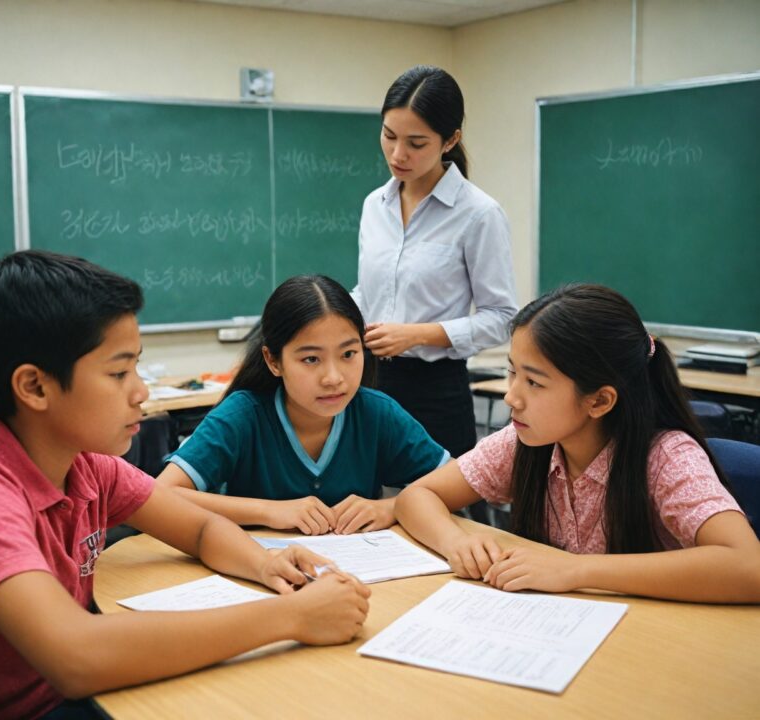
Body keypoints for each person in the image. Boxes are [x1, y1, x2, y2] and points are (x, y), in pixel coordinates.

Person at [0, 251, 371, 720]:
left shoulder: (85, 465)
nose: (142, 391)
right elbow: (77, 656)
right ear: (35, 386)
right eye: (120, 371)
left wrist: (267, 564)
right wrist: (290, 617)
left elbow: (197, 531)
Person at [395, 284, 760, 604]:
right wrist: (455, 543)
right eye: (512, 372)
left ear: (599, 401)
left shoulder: (667, 457)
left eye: (534, 383)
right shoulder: (525, 441)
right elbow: (417, 496)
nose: (511, 397)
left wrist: (576, 570)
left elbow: (748, 567)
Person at [157, 274, 450, 536]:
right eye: (311, 359)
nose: (334, 378)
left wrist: (392, 507)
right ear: (273, 361)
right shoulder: (243, 415)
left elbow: (456, 482)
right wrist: (269, 511)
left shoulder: (376, 413)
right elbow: (161, 495)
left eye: (348, 354)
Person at [352, 64, 517, 463]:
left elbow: (502, 317)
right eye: (389, 136)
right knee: (367, 506)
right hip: (367, 381)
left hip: (435, 392)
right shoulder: (375, 204)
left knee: (434, 511)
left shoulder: (479, 214)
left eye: (416, 143)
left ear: (450, 140)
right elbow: (367, 293)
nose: (397, 154)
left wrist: (418, 334)